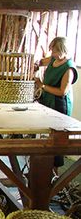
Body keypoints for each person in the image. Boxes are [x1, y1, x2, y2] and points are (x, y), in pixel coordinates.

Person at [35, 36, 78, 172]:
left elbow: (62, 92)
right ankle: (44, 166)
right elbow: (41, 62)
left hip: (59, 104)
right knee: (47, 133)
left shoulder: (69, 68)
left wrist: (41, 85)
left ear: (63, 50)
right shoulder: (54, 59)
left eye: (55, 50)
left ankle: (54, 171)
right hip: (47, 100)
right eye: (52, 50)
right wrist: (35, 64)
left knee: (58, 137)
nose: (53, 53)